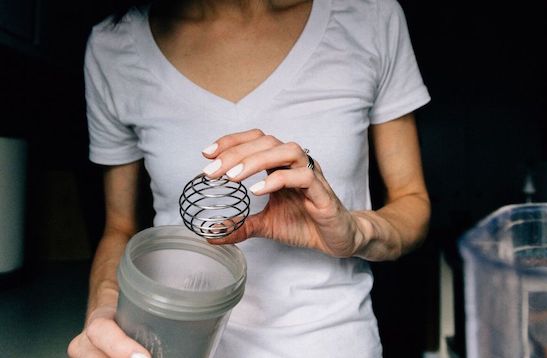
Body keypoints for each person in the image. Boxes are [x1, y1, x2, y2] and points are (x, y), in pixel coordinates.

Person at [68, 0, 431, 356]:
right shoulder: (114, 45)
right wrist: (103, 316)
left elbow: (412, 202)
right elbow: (119, 228)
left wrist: (354, 231)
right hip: (176, 343)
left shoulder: (370, 16)